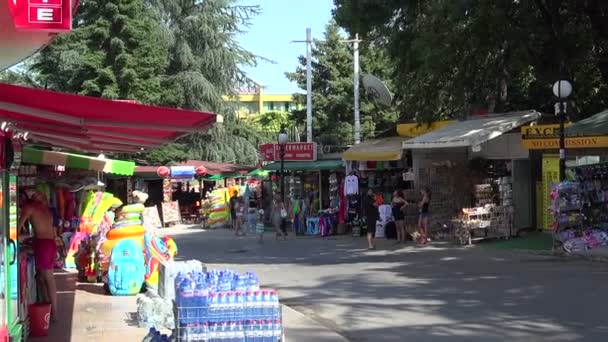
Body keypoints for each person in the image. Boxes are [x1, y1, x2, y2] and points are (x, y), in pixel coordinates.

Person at [19, 190, 58, 320]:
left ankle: (54, 312)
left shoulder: (29, 207)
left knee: (48, 278)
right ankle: (48, 306)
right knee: (41, 277)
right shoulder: (44, 208)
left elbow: (16, 228)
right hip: (50, 243)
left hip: (43, 244)